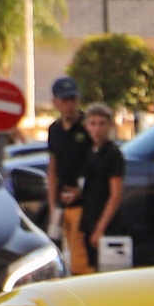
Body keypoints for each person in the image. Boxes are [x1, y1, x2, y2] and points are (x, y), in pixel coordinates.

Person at [45, 76, 92, 274]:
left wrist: (81, 191)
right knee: (64, 255)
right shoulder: (55, 130)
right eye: (65, 100)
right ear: (56, 102)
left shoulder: (88, 126)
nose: (69, 105)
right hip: (62, 203)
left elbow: (96, 165)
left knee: (82, 259)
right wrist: (52, 204)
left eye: (73, 99)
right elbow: (53, 167)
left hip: (85, 201)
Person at [79, 104, 126, 272]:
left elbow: (116, 194)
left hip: (106, 224)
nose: (97, 128)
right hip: (89, 220)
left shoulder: (113, 154)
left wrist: (100, 228)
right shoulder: (90, 152)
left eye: (101, 123)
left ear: (110, 126)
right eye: (93, 123)